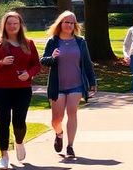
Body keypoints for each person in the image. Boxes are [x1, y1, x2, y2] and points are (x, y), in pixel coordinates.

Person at [0, 11, 41, 169]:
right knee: (3, 121)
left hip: (22, 89)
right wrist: (1, 62)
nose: (12, 26)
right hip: (1, 88)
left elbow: (37, 65)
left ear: (20, 25)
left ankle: (19, 141)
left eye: (15, 23)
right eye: (9, 23)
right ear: (4, 25)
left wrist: (28, 74)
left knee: (19, 121)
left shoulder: (28, 43)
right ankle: (4, 155)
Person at [40, 11, 96, 159]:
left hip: (76, 84)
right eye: (67, 22)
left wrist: (92, 82)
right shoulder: (53, 41)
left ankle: (70, 146)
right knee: (56, 120)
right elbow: (43, 60)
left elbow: (87, 63)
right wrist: (52, 57)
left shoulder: (80, 42)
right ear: (60, 24)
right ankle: (59, 134)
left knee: (72, 113)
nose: (69, 25)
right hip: (57, 85)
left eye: (72, 23)